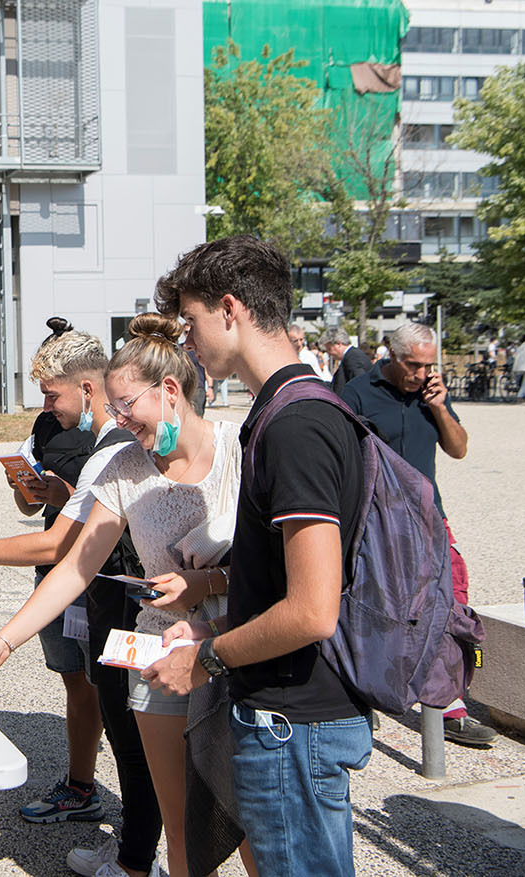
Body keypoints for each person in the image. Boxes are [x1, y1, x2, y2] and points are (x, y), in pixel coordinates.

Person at [0, 314, 242, 877]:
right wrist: (2, 642)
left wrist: (208, 583)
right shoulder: (120, 465)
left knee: (246, 822)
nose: (118, 420)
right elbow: (75, 567)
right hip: (160, 654)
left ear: (169, 390)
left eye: (126, 405)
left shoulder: (239, 448)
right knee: (182, 828)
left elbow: (276, 566)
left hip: (236, 649)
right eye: (112, 408)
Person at [146, 234, 372, 876]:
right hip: (288, 718)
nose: (186, 341)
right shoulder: (283, 411)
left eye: (190, 322)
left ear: (229, 309)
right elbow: (283, 585)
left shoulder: (297, 425)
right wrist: (216, 619)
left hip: (294, 724)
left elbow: (311, 611)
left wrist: (206, 657)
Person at [0, 325, 163, 875]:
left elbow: (62, 546)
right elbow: (73, 557)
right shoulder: (110, 447)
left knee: (134, 735)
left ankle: (137, 854)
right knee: (128, 728)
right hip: (109, 603)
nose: (46, 406)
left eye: (52, 394)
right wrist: (4, 641)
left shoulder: (114, 451)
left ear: (88, 387)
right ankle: (135, 848)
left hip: (130, 608)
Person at [339, 322, 496, 747]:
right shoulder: (357, 393)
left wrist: (441, 407)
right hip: (380, 523)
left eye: (430, 365)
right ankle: (363, 694)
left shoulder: (432, 394)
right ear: (390, 353)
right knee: (375, 608)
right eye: (414, 364)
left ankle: (449, 708)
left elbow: (459, 448)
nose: (422, 373)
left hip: (430, 518)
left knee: (449, 604)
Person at [321, 326, 371, 393]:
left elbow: (361, 385)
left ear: (339, 344)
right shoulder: (351, 356)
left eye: (330, 349)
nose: (329, 353)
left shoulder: (353, 358)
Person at [512, 333, 525, 401]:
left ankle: (521, 396)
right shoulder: (523, 347)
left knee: (524, 382)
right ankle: (520, 396)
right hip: (524, 367)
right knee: (524, 383)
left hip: (520, 367)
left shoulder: (521, 346)